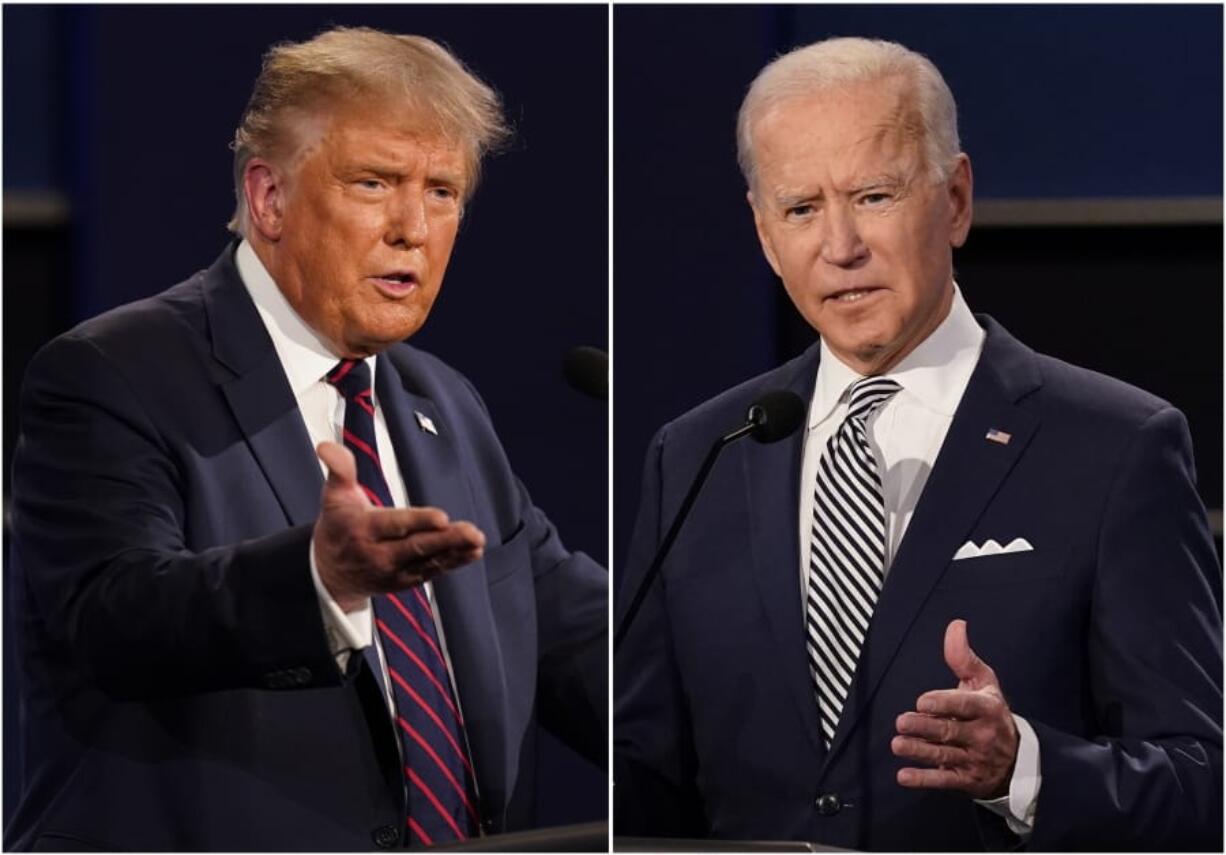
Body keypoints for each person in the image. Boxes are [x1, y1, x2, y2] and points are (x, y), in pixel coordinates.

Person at [7, 27, 606, 851]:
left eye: (443, 192)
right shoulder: (112, 373)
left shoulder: (443, 403)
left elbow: (572, 635)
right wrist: (319, 578)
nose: (413, 227)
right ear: (270, 197)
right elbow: (115, 615)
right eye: (375, 182)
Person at [614, 36, 1221, 850]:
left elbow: (1201, 784)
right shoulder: (700, 452)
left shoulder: (1117, 447)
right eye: (801, 209)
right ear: (764, 234)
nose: (840, 247)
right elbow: (645, 774)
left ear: (957, 199)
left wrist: (1024, 768)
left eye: (873, 195)